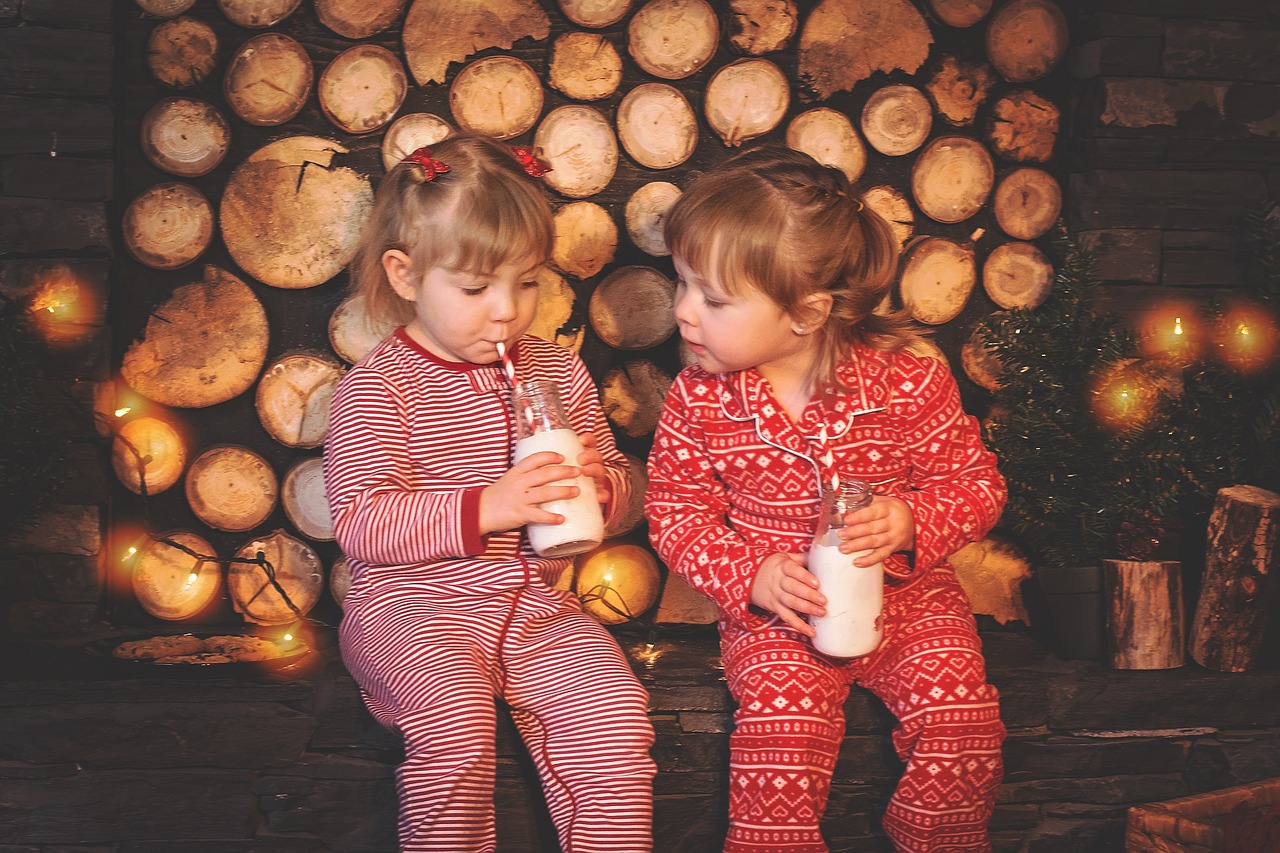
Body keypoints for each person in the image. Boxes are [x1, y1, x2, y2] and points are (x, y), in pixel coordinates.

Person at [645, 146, 1007, 853]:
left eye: (712, 298)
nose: (684, 311)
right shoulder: (701, 397)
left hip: (910, 603)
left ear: (806, 311)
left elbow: (977, 483)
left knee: (961, 714)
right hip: (783, 616)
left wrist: (911, 521)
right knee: (779, 739)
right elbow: (676, 510)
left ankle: (937, 841)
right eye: (681, 283)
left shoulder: (906, 382)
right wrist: (749, 576)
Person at [323, 134, 655, 853]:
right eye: (476, 288)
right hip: (411, 612)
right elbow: (362, 521)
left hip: (539, 612)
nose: (507, 310)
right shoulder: (379, 388)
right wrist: (488, 506)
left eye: (527, 281)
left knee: (617, 717)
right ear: (406, 275)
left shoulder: (558, 374)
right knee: (455, 723)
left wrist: (607, 489)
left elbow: (623, 484)